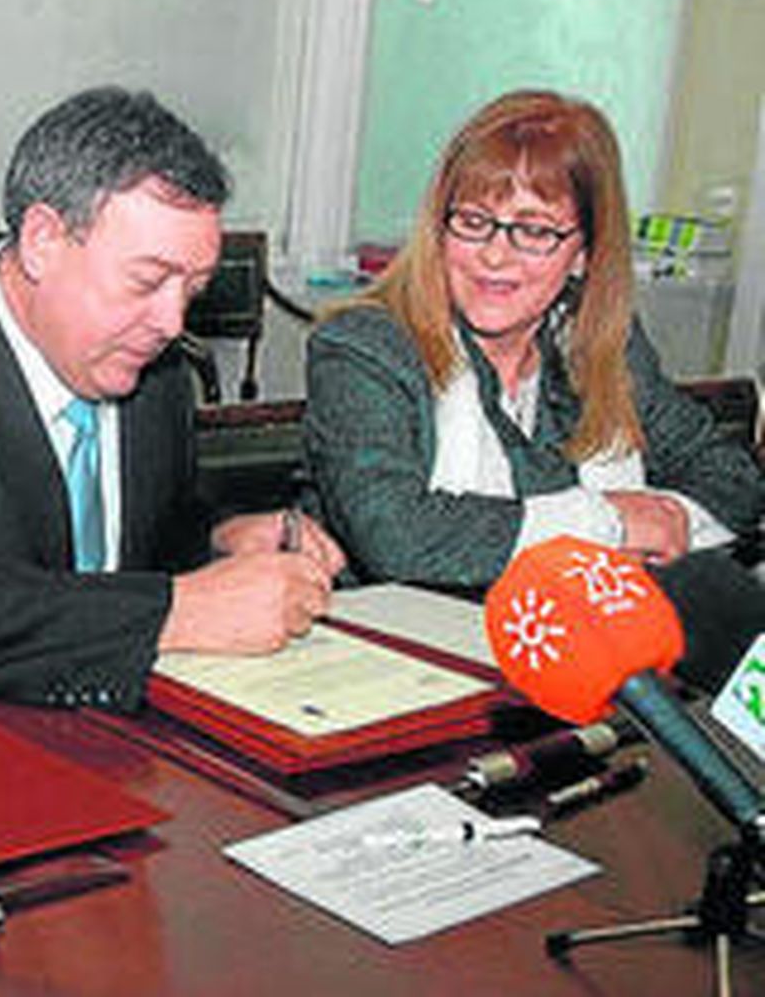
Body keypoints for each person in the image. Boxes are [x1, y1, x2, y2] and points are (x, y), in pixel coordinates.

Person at [0, 87, 344, 711]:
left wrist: (225, 538)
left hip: (125, 736)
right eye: (148, 280)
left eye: (193, 289)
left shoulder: (149, 366)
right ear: (44, 240)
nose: (170, 320)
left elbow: (149, 537)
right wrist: (169, 615)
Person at [303, 89, 765, 679]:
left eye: (536, 231)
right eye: (473, 222)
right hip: (407, 667)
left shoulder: (602, 344)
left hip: (583, 667)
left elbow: (733, 478)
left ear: (585, 254)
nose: (495, 256)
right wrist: (610, 524)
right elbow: (397, 534)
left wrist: (663, 520)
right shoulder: (364, 346)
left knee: (707, 594)